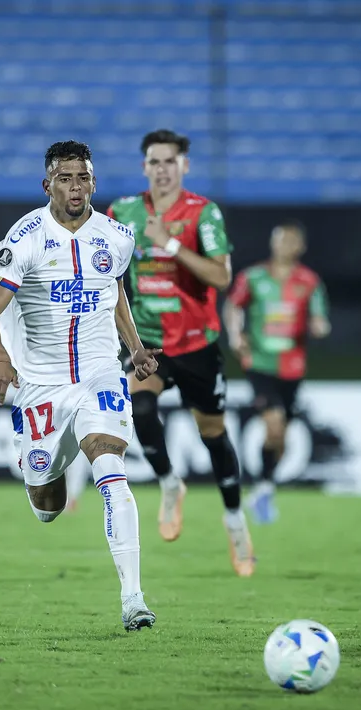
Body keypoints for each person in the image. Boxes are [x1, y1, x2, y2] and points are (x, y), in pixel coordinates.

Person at [0, 140, 161, 631]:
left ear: (93, 182)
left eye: (83, 178)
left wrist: (135, 348)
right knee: (47, 508)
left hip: (100, 372)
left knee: (110, 464)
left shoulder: (116, 237)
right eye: (65, 178)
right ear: (47, 184)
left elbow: (114, 291)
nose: (75, 187)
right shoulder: (26, 238)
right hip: (41, 385)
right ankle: (47, 460)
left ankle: (133, 599)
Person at [103, 129, 253, 577]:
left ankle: (235, 520)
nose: (162, 169)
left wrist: (169, 244)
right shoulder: (121, 212)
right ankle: (170, 483)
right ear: (144, 166)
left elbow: (222, 278)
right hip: (148, 341)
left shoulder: (202, 213)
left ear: (184, 165)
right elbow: (110, 278)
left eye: (170, 161)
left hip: (197, 344)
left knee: (213, 435)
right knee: (139, 407)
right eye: (154, 161)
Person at [224, 220, 330, 524]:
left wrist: (319, 326)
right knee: (274, 425)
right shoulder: (254, 277)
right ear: (273, 243)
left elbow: (320, 316)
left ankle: (264, 488)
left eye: (291, 241)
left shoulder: (308, 281)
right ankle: (264, 488)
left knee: (281, 434)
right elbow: (233, 306)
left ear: (301, 247)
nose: (285, 246)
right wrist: (235, 334)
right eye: (280, 240)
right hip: (260, 363)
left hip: (293, 366)